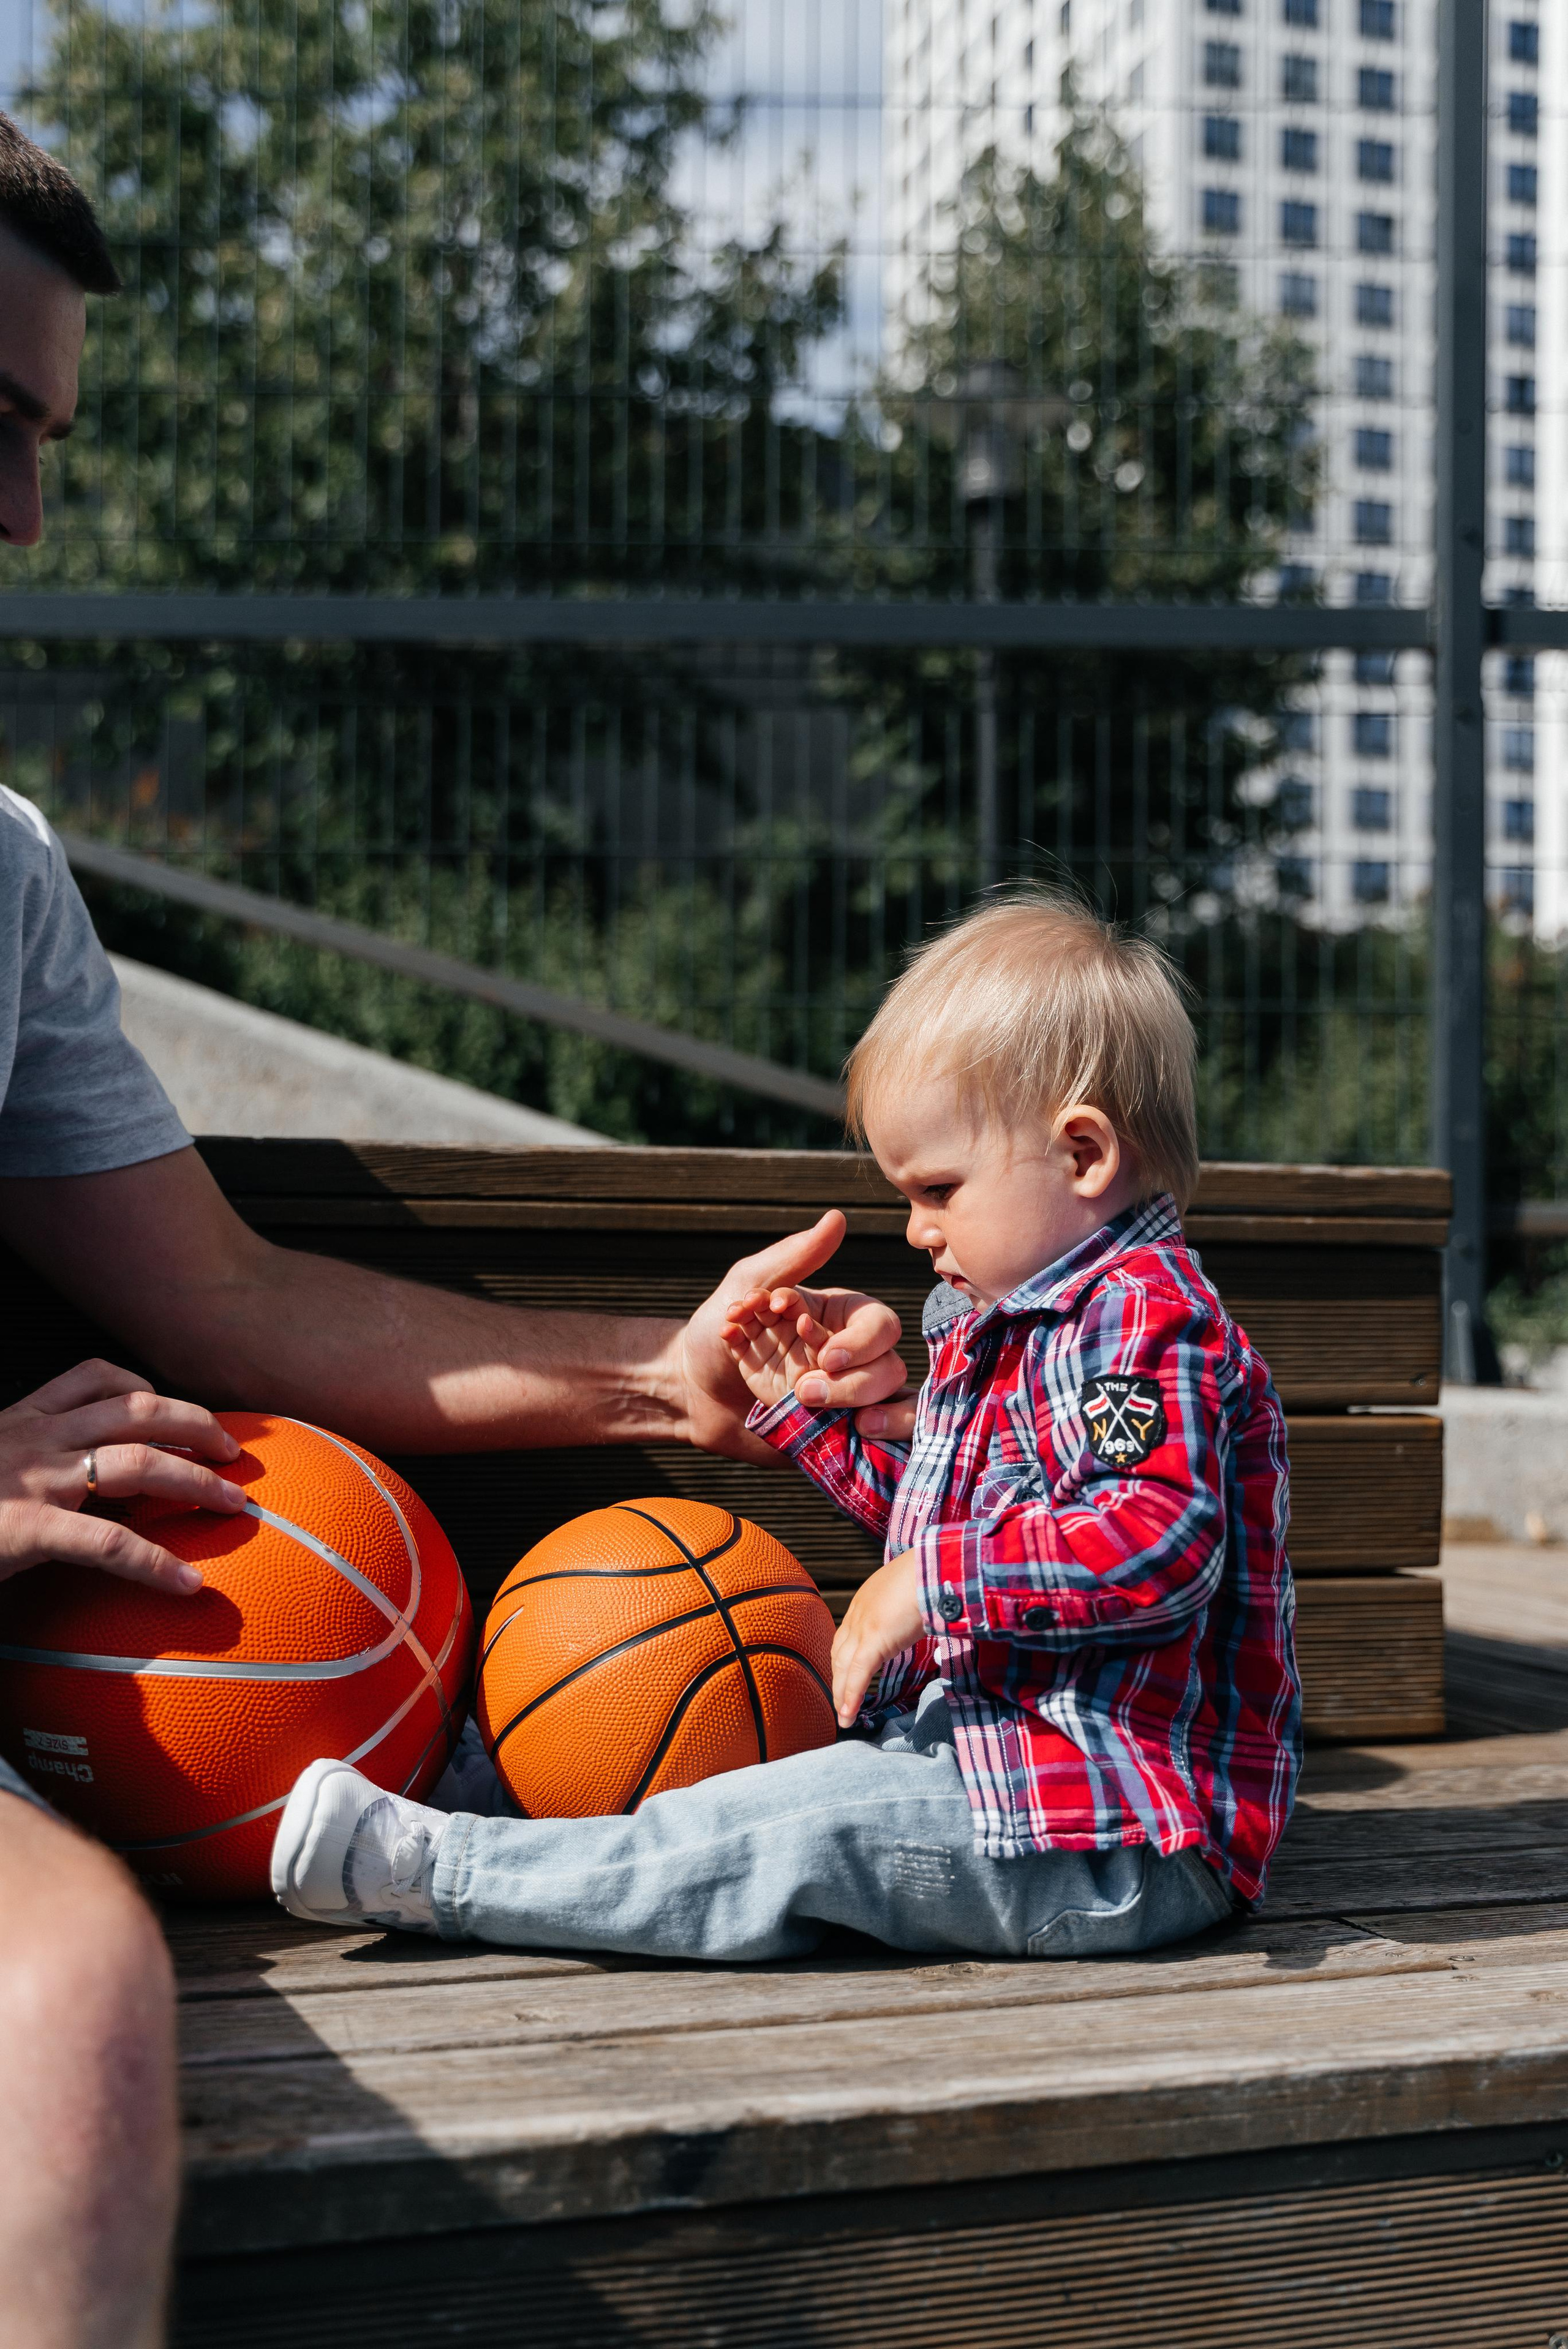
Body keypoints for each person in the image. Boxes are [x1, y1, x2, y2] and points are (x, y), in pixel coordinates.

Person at [0, 110, 907, 2349]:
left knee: (76, 2001)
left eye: (46, 442)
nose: (23, 513)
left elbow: (224, 1294)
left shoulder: (0, 877)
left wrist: (656, 1382)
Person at [271, 892, 1301, 1967]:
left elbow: (1157, 1539)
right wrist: (800, 1417)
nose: (917, 1228)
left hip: (1116, 1839)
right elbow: (942, 1518)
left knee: (790, 1836)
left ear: (1083, 1153)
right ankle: (500, 1799)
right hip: (995, 1769)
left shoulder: (1142, 1317)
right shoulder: (1024, 1325)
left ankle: (445, 1875)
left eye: (939, 1188)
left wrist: (932, 1585)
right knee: (737, 1749)